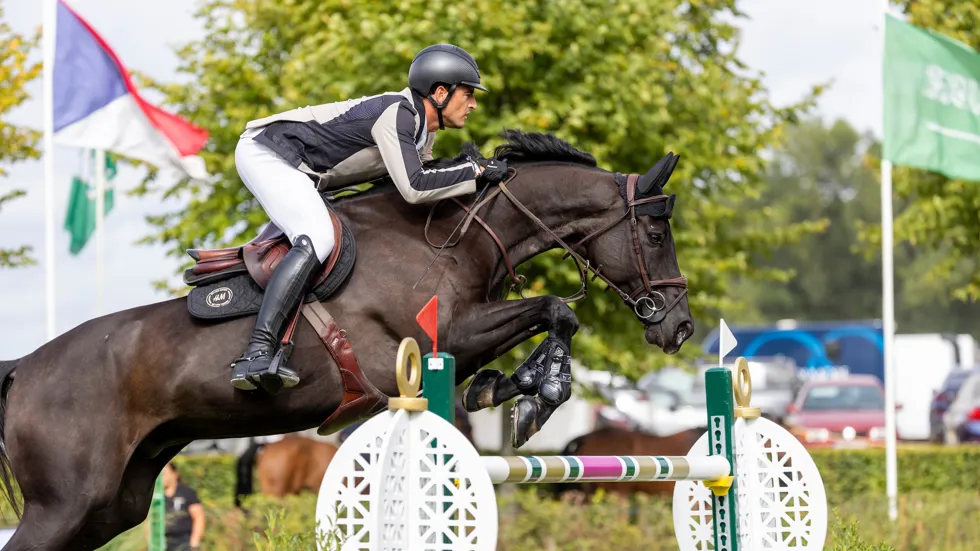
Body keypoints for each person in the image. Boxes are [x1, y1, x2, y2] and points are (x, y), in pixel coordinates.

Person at [230, 43, 509, 393]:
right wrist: (476, 171)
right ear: (441, 92)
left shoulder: (424, 130)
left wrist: (472, 171)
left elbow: (417, 181)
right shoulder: (399, 114)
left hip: (305, 171)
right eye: (468, 94)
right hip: (269, 154)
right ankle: (257, 350)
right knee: (319, 238)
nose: (473, 104)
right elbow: (415, 187)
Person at [161, 462, 205, 551]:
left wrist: (194, 542)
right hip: (163, 542)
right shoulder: (157, 497)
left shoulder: (187, 493)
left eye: (164, 474)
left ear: (174, 474)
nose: (160, 477)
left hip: (184, 541)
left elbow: (199, 517)